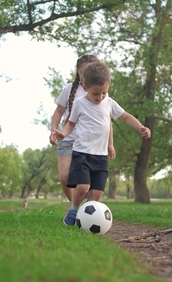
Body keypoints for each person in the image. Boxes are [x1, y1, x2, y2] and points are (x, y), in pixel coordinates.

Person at [52, 62, 151, 226]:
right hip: (82, 152)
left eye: (104, 92)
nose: (100, 97)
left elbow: (125, 117)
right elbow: (70, 124)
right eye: (95, 93)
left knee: (96, 194)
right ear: (85, 87)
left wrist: (141, 126)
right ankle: (74, 209)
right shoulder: (79, 104)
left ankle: (86, 222)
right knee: (83, 187)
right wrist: (63, 133)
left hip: (100, 155)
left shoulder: (109, 103)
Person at [49, 55, 116, 204]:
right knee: (65, 177)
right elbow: (59, 111)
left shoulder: (100, 92)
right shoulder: (69, 89)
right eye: (81, 71)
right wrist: (53, 130)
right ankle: (77, 208)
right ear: (78, 72)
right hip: (68, 139)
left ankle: (86, 212)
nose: (84, 73)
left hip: (90, 144)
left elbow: (107, 121)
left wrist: (110, 144)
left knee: (91, 182)